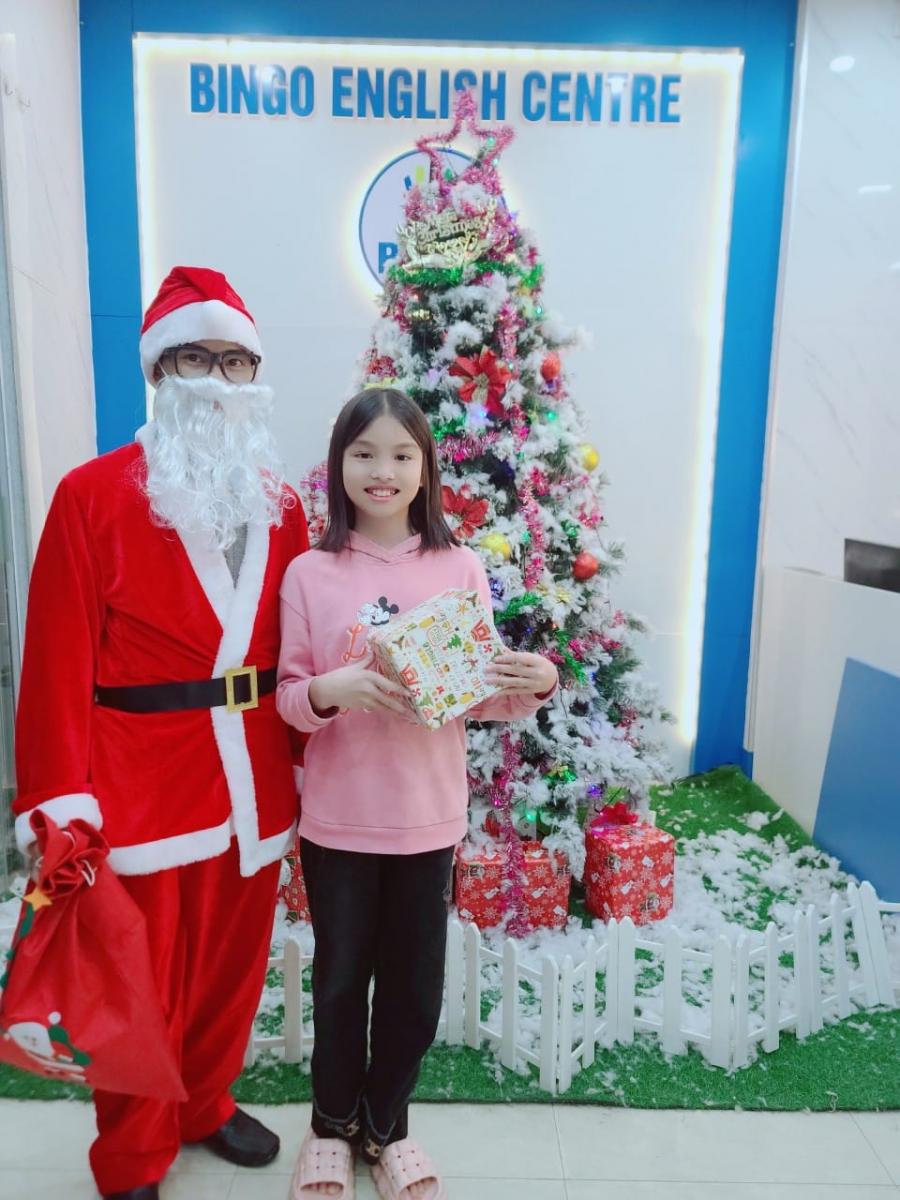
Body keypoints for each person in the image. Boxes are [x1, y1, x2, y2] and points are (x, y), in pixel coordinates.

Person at [13, 265, 309, 1200]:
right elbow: (55, 661)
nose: (217, 380)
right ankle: (134, 1151)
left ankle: (205, 1103)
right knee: (136, 980)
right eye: (195, 359)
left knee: (231, 969)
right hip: (138, 782)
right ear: (158, 372)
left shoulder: (282, 507)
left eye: (235, 361)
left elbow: (299, 649)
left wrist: (310, 767)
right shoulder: (91, 496)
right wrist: (59, 801)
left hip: (254, 776)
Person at [276, 387, 558, 1199]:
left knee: (414, 992)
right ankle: (330, 1125)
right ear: (338, 465)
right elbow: (288, 698)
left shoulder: (457, 566)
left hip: (427, 821)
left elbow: (478, 694)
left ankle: (385, 1127)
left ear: (427, 467)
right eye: (364, 453)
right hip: (338, 822)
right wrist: (330, 690)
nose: (384, 470)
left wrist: (537, 681)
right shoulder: (310, 572)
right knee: (339, 985)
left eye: (402, 454)